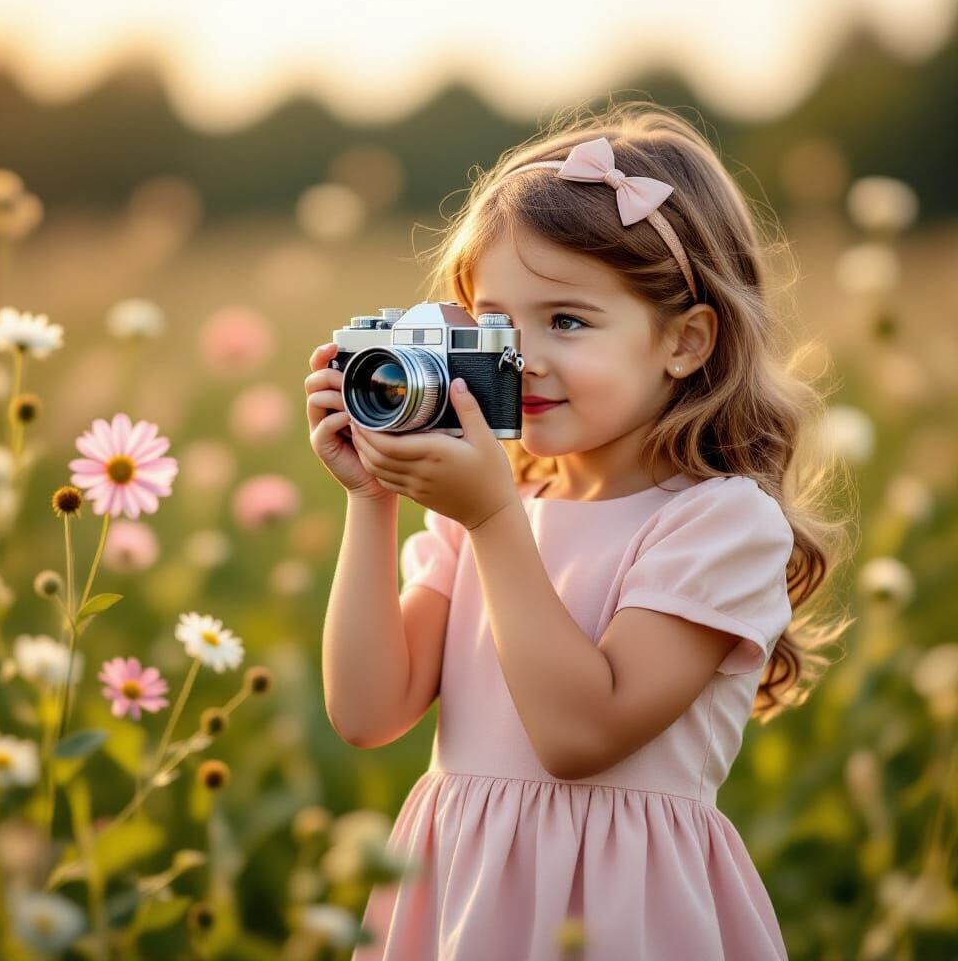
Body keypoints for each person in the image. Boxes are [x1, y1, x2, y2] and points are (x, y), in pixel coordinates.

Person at [305, 100, 855, 961]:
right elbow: (366, 712)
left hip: (621, 914)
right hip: (462, 896)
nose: (522, 356)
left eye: (566, 320)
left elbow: (578, 737)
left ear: (685, 341)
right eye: (497, 322)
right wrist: (371, 497)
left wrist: (492, 518)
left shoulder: (717, 524)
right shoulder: (486, 511)